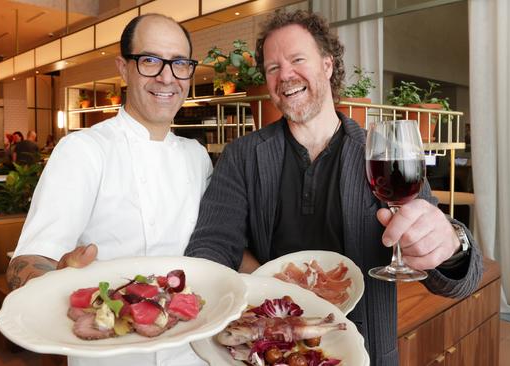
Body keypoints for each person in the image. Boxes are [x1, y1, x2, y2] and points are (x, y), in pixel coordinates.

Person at [185, 10, 483, 366]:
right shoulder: (242, 155)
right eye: (272, 68)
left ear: (327, 65)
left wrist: (451, 243)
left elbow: (454, 276)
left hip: (364, 350)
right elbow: (212, 244)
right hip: (269, 349)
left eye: (297, 59)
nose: (285, 76)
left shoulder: (378, 156)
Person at [6, 13, 211, 366]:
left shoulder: (197, 157)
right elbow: (25, 263)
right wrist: (53, 280)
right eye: (150, 61)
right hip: (109, 356)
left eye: (179, 63)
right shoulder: (83, 150)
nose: (167, 77)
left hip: (193, 352)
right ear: (124, 68)